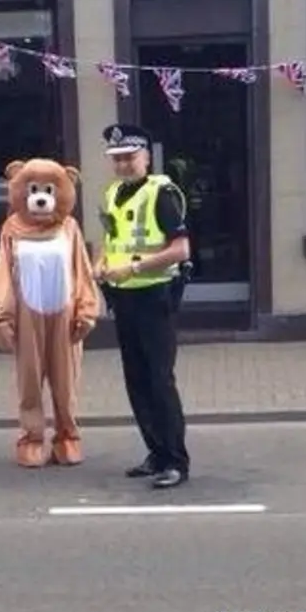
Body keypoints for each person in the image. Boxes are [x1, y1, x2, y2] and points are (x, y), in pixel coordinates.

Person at [93, 124, 191, 489]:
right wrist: (99, 263)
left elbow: (181, 250)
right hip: (124, 297)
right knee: (136, 381)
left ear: (146, 158)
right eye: (117, 159)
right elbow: (107, 238)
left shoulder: (160, 193)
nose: (122, 165)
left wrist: (132, 267)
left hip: (155, 296)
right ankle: (156, 453)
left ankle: (176, 461)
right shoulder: (112, 193)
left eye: (129, 158)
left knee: (160, 381)